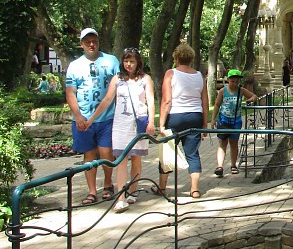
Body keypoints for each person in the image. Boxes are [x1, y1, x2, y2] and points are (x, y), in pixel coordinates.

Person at [86, 48, 155, 213]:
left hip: (138, 123)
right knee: (121, 159)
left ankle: (133, 190)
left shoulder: (145, 79)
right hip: (121, 124)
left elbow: (151, 101)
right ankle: (121, 198)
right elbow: (107, 100)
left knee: (136, 158)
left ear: (138, 62)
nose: (128, 64)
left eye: (132, 61)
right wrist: (91, 119)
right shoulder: (117, 79)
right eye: (126, 61)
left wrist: (152, 122)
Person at [66, 28, 120, 205]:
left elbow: (119, 87)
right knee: (89, 155)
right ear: (81, 44)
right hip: (83, 119)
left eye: (94, 41)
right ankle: (91, 191)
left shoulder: (111, 61)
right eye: (87, 42)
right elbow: (70, 92)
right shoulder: (74, 66)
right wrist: (78, 116)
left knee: (106, 153)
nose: (91, 44)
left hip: (107, 118)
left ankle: (108, 185)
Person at [156, 43, 209, 198]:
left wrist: (161, 124)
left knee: (168, 151)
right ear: (191, 58)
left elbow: (166, 100)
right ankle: (195, 189)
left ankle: (162, 188)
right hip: (195, 116)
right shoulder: (199, 76)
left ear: (176, 58)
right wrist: (204, 124)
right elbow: (205, 102)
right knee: (192, 153)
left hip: (175, 117)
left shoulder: (171, 73)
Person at [210, 69, 257, 176]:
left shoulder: (241, 90)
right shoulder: (223, 91)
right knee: (222, 143)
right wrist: (213, 119)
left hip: (236, 121)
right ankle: (219, 166)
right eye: (232, 81)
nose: (235, 84)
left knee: (234, 143)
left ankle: (233, 165)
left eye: (237, 81)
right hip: (224, 120)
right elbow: (217, 105)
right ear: (228, 80)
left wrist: (251, 99)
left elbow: (254, 96)